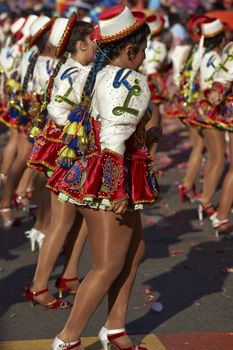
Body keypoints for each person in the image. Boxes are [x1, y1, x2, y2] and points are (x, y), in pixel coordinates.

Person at [49, 5, 158, 350]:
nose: (144, 56)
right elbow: (113, 138)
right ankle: (67, 339)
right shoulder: (130, 81)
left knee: (135, 250)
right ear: (130, 51)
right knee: (108, 263)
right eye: (142, 50)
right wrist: (116, 188)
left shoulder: (103, 74)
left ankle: (114, 327)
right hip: (112, 176)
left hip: (100, 170)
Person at [25, 15, 95, 308]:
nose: (98, 45)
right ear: (80, 45)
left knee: (82, 214)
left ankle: (68, 274)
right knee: (62, 221)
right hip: (69, 148)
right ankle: (39, 286)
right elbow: (58, 108)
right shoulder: (78, 73)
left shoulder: (68, 67)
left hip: (65, 144)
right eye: (94, 41)